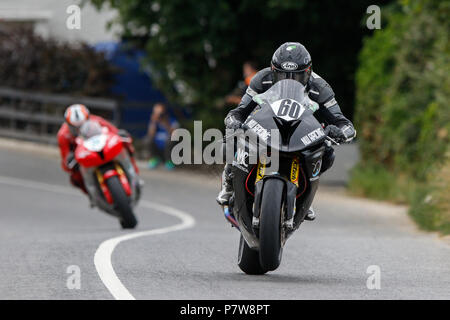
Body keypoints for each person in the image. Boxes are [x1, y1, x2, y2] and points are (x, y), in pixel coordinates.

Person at [216, 42, 356, 221]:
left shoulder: (320, 87)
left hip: (300, 131)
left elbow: (345, 123)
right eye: (283, 75)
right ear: (273, 71)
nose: (289, 80)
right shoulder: (261, 79)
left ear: (308, 72)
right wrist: (234, 121)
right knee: (232, 137)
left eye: (296, 76)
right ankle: (229, 181)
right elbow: (238, 112)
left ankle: (307, 196)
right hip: (266, 127)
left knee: (327, 152)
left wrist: (339, 132)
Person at [57, 104, 137, 195]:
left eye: (82, 126)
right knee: (75, 178)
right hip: (83, 156)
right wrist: (70, 162)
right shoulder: (63, 135)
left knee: (125, 146)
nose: (79, 130)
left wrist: (122, 136)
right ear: (68, 124)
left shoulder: (96, 120)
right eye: (75, 128)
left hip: (101, 147)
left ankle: (134, 172)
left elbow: (114, 131)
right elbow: (65, 159)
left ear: (88, 119)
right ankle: (91, 194)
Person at [146, 102, 179, 170]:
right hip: (157, 141)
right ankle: (154, 159)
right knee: (148, 140)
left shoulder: (172, 121)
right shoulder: (154, 122)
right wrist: (153, 122)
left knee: (169, 141)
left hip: (168, 141)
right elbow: (151, 134)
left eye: (160, 113)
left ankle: (169, 161)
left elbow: (174, 134)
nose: (159, 116)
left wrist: (165, 123)